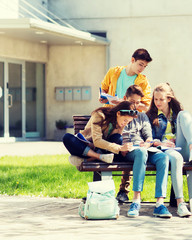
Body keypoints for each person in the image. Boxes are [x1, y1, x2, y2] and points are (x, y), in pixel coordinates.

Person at [99, 48, 153, 203]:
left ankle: (123, 190)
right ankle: (101, 191)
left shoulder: (142, 81)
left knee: (128, 146)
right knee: (106, 147)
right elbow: (103, 89)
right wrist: (104, 98)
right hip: (111, 118)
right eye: (140, 64)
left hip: (129, 121)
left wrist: (130, 104)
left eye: (144, 66)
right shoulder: (114, 72)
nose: (141, 68)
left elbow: (146, 105)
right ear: (132, 60)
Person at [117, 85, 172, 218]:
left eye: (137, 102)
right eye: (132, 102)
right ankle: (136, 201)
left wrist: (147, 144)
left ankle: (159, 204)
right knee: (141, 153)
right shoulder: (118, 114)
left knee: (163, 158)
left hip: (142, 148)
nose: (135, 106)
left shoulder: (142, 116)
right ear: (125, 99)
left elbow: (149, 137)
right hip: (127, 150)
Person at [146, 83, 192, 217]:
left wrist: (178, 140)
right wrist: (162, 142)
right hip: (165, 149)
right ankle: (181, 204)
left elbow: (185, 131)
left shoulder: (177, 115)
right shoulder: (151, 115)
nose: (157, 102)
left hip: (182, 146)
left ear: (169, 99)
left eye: (161, 99)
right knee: (177, 158)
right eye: (155, 99)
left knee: (185, 114)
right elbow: (149, 139)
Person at [63, 101, 137, 166]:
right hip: (88, 147)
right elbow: (97, 141)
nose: (126, 124)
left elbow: (115, 141)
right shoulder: (99, 115)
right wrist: (119, 148)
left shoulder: (120, 124)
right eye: (125, 120)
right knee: (67, 138)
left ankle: (92, 158)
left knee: (118, 138)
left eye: (128, 122)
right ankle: (97, 157)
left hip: (103, 150)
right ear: (118, 113)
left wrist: (123, 149)